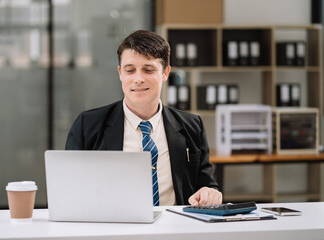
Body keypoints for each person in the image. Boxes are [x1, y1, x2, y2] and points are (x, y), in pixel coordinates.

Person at [65, 30, 222, 206]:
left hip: (174, 229)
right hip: (111, 228)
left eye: (148, 70)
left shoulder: (192, 125)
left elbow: (206, 185)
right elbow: (69, 191)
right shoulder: (88, 125)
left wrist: (210, 193)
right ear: (120, 73)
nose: (138, 79)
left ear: (165, 73)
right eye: (130, 70)